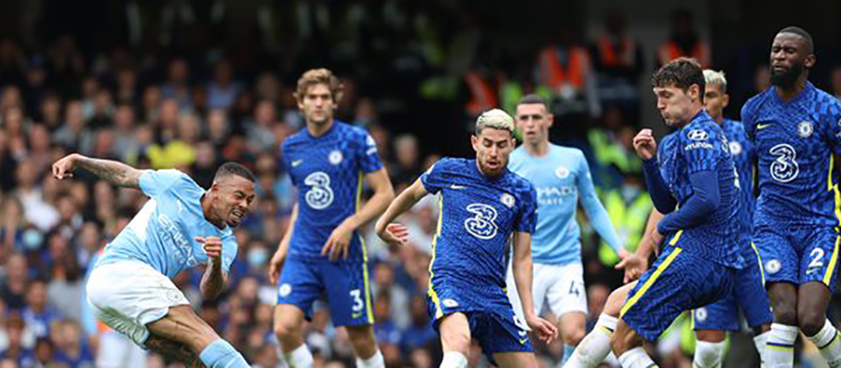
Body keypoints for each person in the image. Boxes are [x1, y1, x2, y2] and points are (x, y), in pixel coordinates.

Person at [375, 109, 558, 368]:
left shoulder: (523, 191)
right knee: (458, 347)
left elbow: (522, 258)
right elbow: (411, 194)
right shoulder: (449, 170)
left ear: (513, 146)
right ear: (475, 142)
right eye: (487, 144)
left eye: (501, 145)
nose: (493, 152)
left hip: (494, 294)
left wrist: (529, 312)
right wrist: (382, 224)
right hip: (451, 281)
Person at [51, 153, 256, 367]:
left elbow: (210, 291)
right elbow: (124, 175)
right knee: (201, 332)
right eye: (239, 196)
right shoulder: (177, 184)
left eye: (249, 200)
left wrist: (214, 261)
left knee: (194, 357)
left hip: (113, 302)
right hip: (121, 269)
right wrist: (79, 160)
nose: (244, 205)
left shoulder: (227, 242)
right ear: (216, 189)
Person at [611, 57, 743, 367]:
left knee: (622, 340)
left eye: (666, 96)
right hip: (713, 263)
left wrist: (664, 227)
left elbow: (706, 200)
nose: (659, 105)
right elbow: (666, 203)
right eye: (657, 96)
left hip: (697, 257)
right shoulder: (685, 137)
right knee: (615, 307)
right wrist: (648, 162)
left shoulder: (698, 135)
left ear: (694, 92)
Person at [268, 68, 395, 368]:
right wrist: (284, 246)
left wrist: (349, 225)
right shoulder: (291, 146)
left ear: (335, 101)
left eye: (325, 97)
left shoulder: (355, 139)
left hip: (344, 253)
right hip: (303, 251)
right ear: (300, 102)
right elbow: (302, 201)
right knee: (283, 328)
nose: (319, 103)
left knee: (360, 339)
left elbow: (385, 193)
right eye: (312, 97)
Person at [742, 26, 841, 367]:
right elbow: (748, 171)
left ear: (809, 60)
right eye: (775, 50)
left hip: (819, 225)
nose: (779, 56)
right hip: (772, 226)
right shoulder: (753, 111)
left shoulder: (829, 110)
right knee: (783, 312)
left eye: (788, 51)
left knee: (810, 318)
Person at [505, 94, 627, 365]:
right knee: (515, 342)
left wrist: (619, 248)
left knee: (574, 334)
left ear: (549, 120)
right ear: (516, 123)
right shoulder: (509, 164)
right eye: (524, 118)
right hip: (525, 264)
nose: (531, 123)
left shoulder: (573, 158)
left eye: (537, 117)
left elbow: (593, 207)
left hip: (566, 261)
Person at [686, 69, 772, 367]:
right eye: (698, 96)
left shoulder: (744, 135)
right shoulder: (683, 141)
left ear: (724, 99)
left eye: (710, 95)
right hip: (709, 254)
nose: (704, 102)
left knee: (770, 335)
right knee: (709, 350)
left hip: (749, 249)